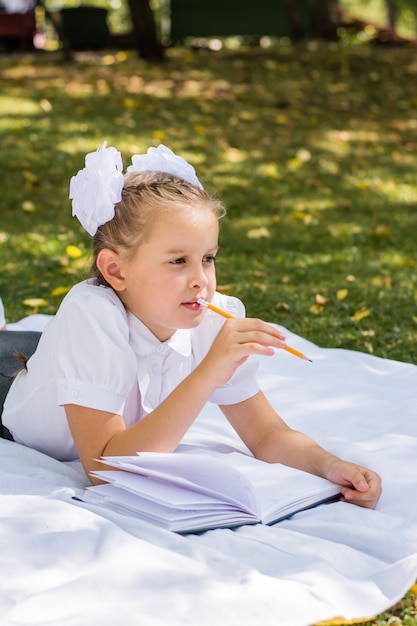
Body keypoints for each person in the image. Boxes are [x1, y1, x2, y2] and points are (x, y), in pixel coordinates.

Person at [2, 143, 381, 508]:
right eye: (178, 261)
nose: (201, 279)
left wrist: (330, 465)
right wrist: (206, 374)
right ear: (115, 270)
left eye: (208, 258)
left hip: (52, 360)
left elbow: (267, 435)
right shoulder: (90, 315)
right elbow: (104, 469)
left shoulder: (214, 318)